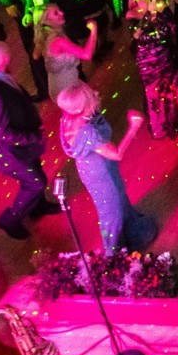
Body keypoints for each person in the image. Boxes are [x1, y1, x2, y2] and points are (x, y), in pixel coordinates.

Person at [0, 42, 58, 239]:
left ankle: (37, 206)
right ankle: (9, 219)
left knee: (35, 169)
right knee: (36, 182)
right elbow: (3, 133)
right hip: (7, 150)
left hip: (20, 144)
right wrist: (35, 136)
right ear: (4, 61)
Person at [57, 83, 156, 253]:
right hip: (101, 174)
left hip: (93, 168)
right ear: (83, 107)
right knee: (112, 213)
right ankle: (112, 257)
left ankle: (130, 231)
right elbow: (116, 154)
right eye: (91, 95)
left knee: (119, 199)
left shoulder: (69, 117)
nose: (96, 92)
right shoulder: (86, 132)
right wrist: (134, 127)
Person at [128, 0, 178, 139]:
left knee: (174, 90)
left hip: (165, 59)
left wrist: (161, 13)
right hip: (148, 65)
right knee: (156, 96)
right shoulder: (131, 16)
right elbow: (137, 38)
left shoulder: (161, 12)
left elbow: (173, 28)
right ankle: (163, 124)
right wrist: (148, 16)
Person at [37, 3, 97, 102]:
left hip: (61, 85)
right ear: (46, 21)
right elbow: (86, 55)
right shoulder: (58, 40)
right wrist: (93, 30)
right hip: (67, 90)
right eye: (56, 13)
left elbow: (35, 55)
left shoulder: (46, 35)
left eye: (59, 10)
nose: (62, 13)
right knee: (89, 112)